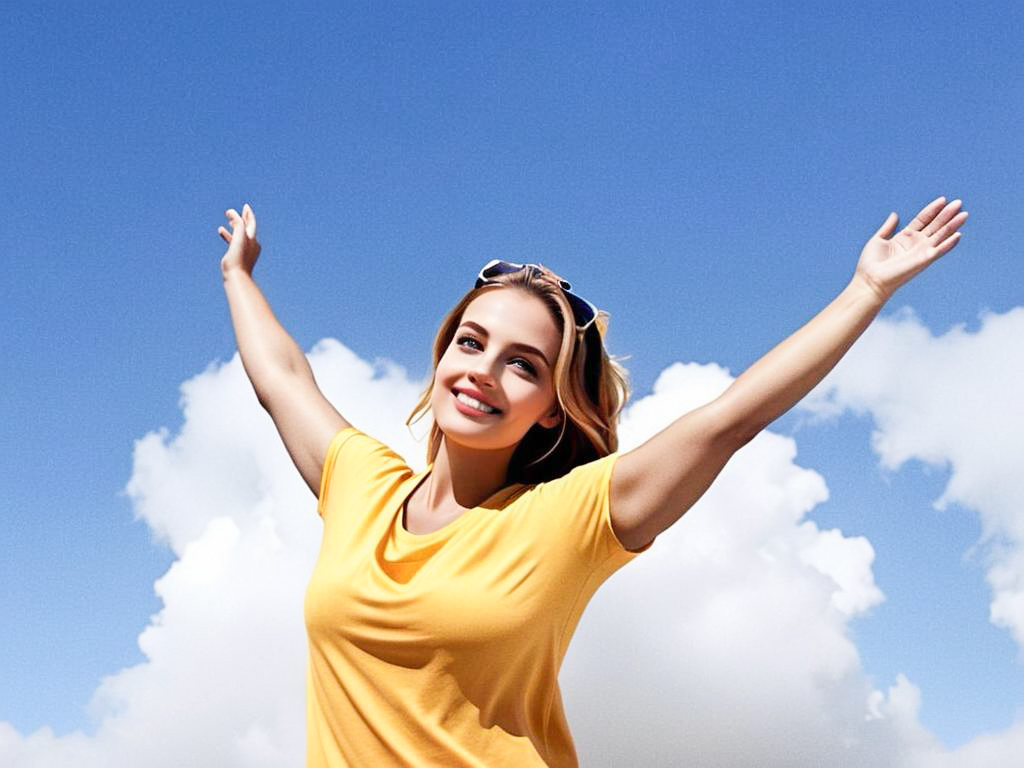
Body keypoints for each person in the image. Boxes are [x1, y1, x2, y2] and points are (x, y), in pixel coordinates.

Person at [218, 197, 967, 767]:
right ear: (442, 358)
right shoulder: (361, 485)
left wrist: (865, 292)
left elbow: (728, 419)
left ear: (551, 411)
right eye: (472, 343)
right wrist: (237, 277)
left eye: (523, 364)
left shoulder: (564, 520)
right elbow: (282, 379)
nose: (484, 369)